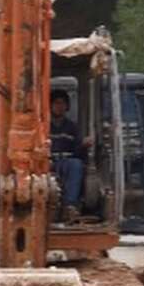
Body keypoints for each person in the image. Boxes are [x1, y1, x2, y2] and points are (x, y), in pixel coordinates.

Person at [50, 90, 88, 220]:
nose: (59, 107)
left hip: (66, 162)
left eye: (62, 103)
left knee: (76, 165)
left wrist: (84, 145)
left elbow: (78, 152)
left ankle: (70, 206)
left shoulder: (72, 127)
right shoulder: (42, 126)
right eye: (56, 103)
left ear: (67, 107)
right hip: (47, 162)